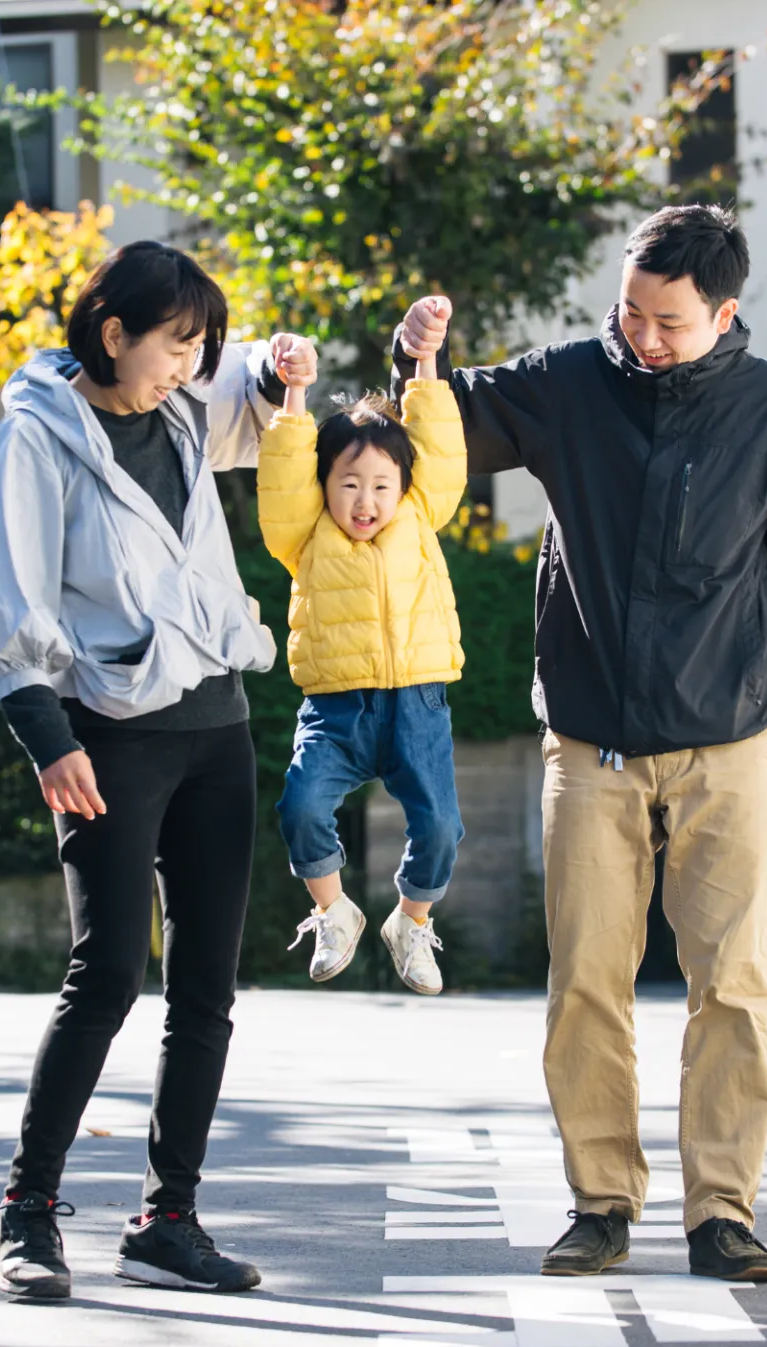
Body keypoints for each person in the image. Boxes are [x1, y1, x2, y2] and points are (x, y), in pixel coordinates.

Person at [393, 204, 767, 1283]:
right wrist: (417, 360)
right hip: (591, 739)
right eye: (629, 312)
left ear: (726, 312)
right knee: (588, 982)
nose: (642, 337)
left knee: (733, 985)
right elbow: (443, 426)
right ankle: (602, 1202)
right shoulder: (571, 382)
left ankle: (723, 1213)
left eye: (667, 321)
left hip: (730, 742)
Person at [0, 239, 317, 1300]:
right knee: (107, 971)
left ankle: (169, 1220)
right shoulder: (37, 441)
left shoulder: (184, 412)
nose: (192, 363)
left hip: (216, 725)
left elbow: (258, 391)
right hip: (107, 733)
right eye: (176, 343)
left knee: (207, 983)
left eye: (202, 345)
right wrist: (44, 732)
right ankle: (27, 1213)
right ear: (114, 335)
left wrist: (278, 364)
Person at [255, 306, 468, 995]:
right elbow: (283, 475)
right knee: (300, 807)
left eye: (380, 485)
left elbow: (436, 444)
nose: (366, 499)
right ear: (325, 488)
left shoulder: (420, 515)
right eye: (349, 484)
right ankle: (333, 910)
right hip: (336, 710)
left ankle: (411, 921)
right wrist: (294, 394)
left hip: (418, 701)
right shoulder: (305, 533)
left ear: (404, 489)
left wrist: (425, 365)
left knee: (440, 824)